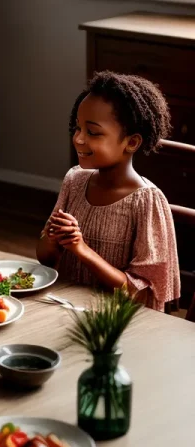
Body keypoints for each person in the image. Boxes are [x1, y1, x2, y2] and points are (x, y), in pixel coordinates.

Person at [38, 72, 180, 311]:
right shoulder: (75, 180)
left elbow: (142, 296)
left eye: (93, 132)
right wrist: (53, 238)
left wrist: (81, 249)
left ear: (131, 143)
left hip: (114, 324)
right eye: (77, 128)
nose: (79, 139)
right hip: (65, 308)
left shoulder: (147, 201)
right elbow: (46, 258)